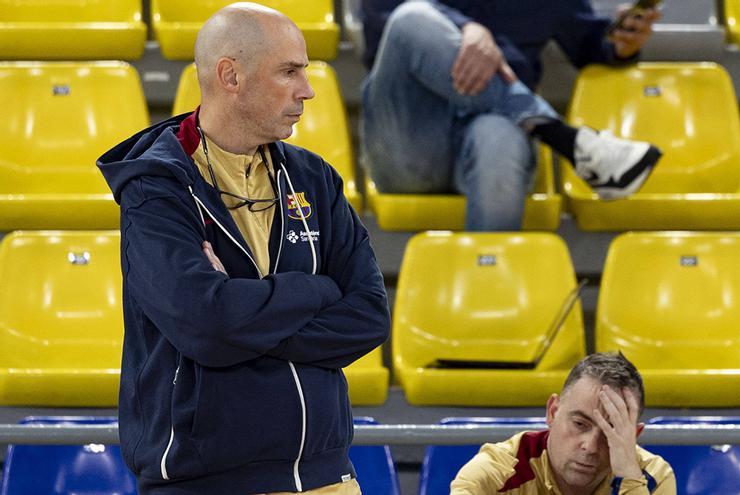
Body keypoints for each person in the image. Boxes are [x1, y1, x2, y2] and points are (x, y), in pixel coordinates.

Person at [97, 3, 390, 494]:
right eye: (289, 71)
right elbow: (206, 326)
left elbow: (369, 317)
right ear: (230, 76)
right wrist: (314, 290)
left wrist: (241, 316)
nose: (308, 89)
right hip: (206, 482)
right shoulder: (157, 187)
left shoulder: (314, 178)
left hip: (329, 478)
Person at [360, 0, 662, 231]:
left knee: (498, 137)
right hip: (408, 139)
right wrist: (467, 27)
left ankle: (487, 294)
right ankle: (564, 138)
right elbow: (384, 33)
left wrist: (621, 42)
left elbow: (589, 43)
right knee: (411, 18)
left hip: (498, 130)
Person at [451, 352, 675, 494]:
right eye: (580, 424)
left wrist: (629, 476)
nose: (590, 446)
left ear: (634, 436)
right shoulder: (494, 474)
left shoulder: (653, 476)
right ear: (553, 411)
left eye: (611, 432)